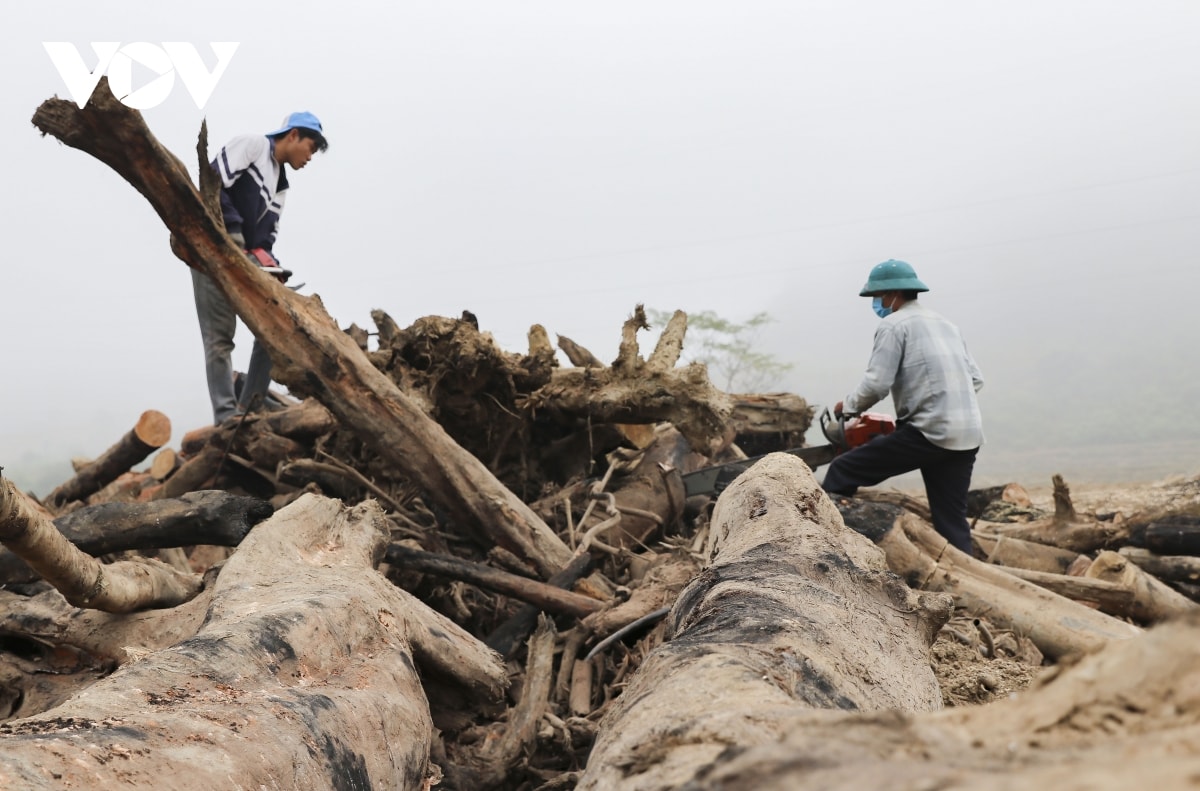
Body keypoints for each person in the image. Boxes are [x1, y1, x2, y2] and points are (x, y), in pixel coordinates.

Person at [821, 259, 984, 554]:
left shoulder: (894, 325)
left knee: (842, 471)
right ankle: (966, 585)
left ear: (892, 294)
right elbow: (975, 379)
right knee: (951, 521)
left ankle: (830, 547)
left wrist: (849, 406)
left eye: (878, 297)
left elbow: (877, 384)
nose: (878, 303)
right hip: (967, 434)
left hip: (928, 432)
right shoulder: (947, 325)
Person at [192, 111, 329, 424]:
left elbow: (264, 240)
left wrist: (272, 266)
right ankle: (227, 416)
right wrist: (235, 234)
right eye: (310, 146)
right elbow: (213, 183)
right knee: (219, 338)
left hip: (244, 258)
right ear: (292, 135)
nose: (310, 156)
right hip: (211, 249)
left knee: (275, 328)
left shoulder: (280, 183)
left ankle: (250, 408)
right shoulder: (253, 145)